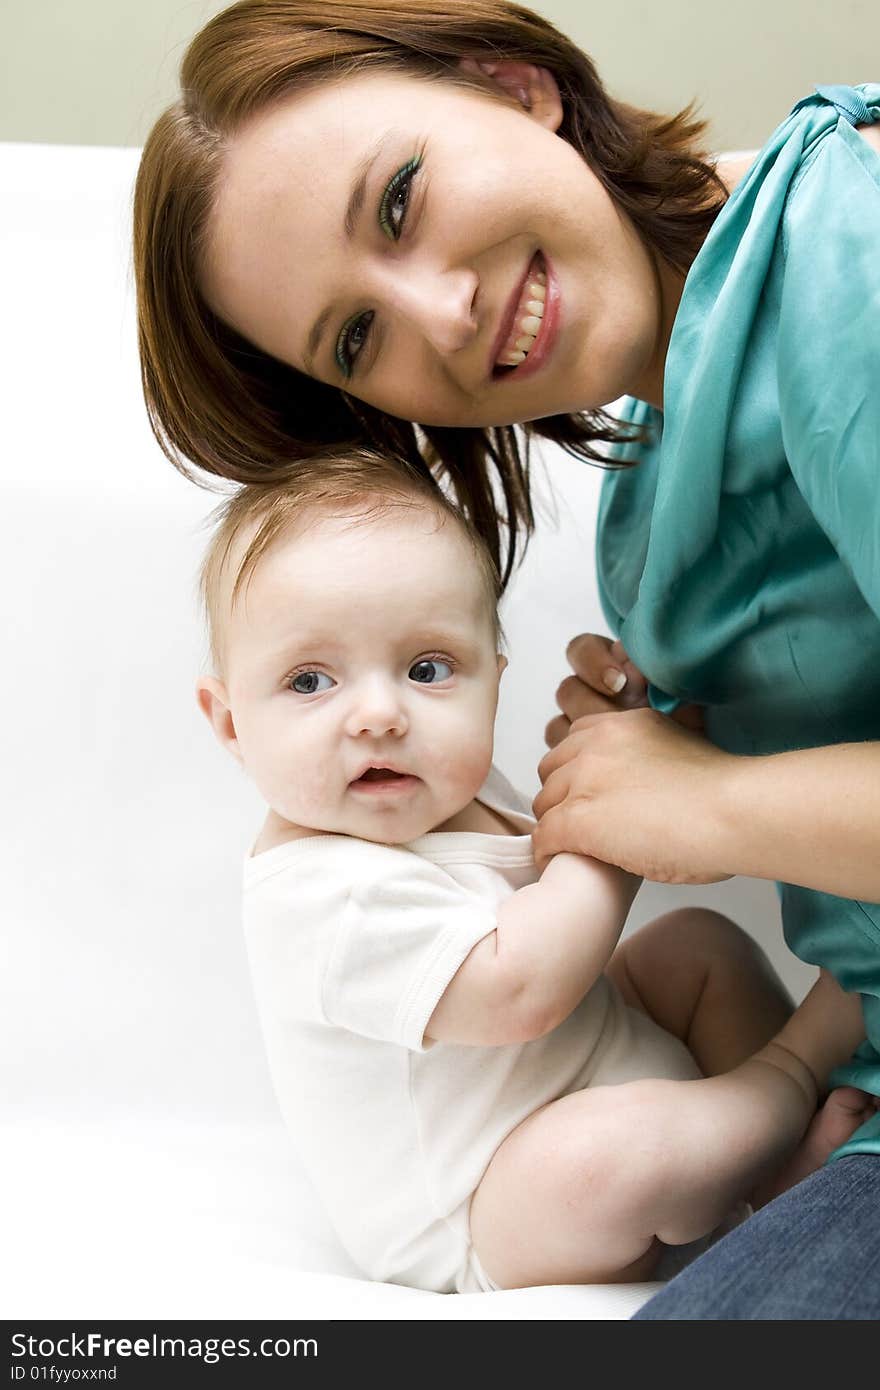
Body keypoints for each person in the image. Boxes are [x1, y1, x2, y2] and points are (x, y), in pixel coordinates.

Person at [133, 0, 880, 1316]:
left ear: (512, 81)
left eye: (402, 197)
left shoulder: (841, 240)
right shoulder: (651, 519)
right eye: (358, 339)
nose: (447, 309)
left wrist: (699, 804)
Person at [194, 450, 867, 1293]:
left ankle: (770, 1168)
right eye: (309, 680)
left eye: (427, 669)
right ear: (228, 721)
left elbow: (551, 885)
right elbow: (522, 988)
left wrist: (624, 736)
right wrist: (613, 825)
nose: (378, 715)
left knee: (694, 946)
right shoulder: (318, 898)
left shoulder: (446, 795)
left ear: (492, 685)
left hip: (579, 1057)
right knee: (592, 1165)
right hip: (487, 1209)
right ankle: (792, 1071)